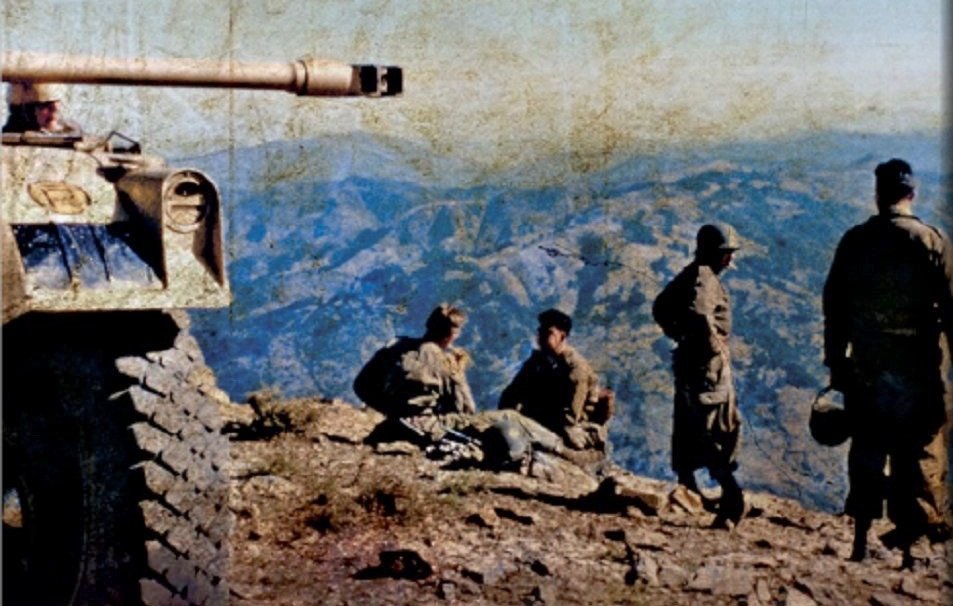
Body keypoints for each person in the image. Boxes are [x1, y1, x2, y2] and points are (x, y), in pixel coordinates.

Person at [823, 158, 953, 567]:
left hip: (868, 368)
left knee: (867, 449)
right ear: (912, 193)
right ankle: (912, 551)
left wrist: (837, 365)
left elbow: (834, 308)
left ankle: (861, 541)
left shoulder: (854, 241)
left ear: (878, 195)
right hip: (918, 371)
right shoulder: (932, 241)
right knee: (918, 454)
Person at [653, 223, 744, 528]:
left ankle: (689, 488)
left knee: (691, 425)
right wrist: (711, 346)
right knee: (716, 429)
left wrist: (679, 336)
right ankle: (732, 498)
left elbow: (661, 307)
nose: (730, 260)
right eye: (726, 254)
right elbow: (699, 314)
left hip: (692, 366)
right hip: (708, 370)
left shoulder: (692, 273)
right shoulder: (705, 279)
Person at [498, 309, 614, 451]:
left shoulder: (576, 369)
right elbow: (512, 393)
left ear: (562, 336)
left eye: (548, 333)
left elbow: (571, 417)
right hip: (540, 421)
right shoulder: (538, 362)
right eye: (540, 332)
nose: (540, 337)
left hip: (564, 428)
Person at [353, 303, 476, 419]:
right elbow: (466, 409)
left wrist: (389, 410)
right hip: (425, 425)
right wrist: (459, 372)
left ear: (428, 324)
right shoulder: (445, 362)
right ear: (451, 336)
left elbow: (361, 384)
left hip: (392, 418)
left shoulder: (398, 344)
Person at [3, 81, 82, 135]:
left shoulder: (71, 131)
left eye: (57, 102)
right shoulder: (8, 147)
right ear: (28, 111)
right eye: (45, 104)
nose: (55, 109)